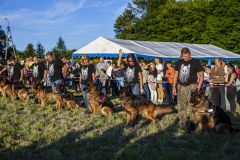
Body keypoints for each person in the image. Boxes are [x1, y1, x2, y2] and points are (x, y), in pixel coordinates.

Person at [172, 47, 204, 132]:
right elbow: (175, 75)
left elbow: (201, 75)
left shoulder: (195, 62)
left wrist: (199, 86)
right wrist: (174, 87)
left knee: (192, 106)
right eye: (184, 56)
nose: (185, 58)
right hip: (181, 86)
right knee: (181, 106)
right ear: (181, 55)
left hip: (192, 86)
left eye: (187, 56)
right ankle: (183, 123)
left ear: (190, 54)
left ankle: (192, 124)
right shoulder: (179, 62)